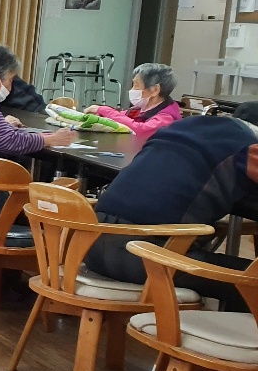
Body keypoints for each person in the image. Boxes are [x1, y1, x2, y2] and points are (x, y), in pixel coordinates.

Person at [85, 103, 258, 311]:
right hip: (146, 257)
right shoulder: (248, 145)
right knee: (250, 280)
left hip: (90, 244)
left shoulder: (180, 127)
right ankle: (225, 331)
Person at [82, 63, 183, 137]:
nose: (132, 90)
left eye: (136, 85)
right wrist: (101, 115)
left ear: (155, 90)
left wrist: (105, 110)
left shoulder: (167, 117)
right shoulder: (141, 109)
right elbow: (122, 116)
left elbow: (140, 130)